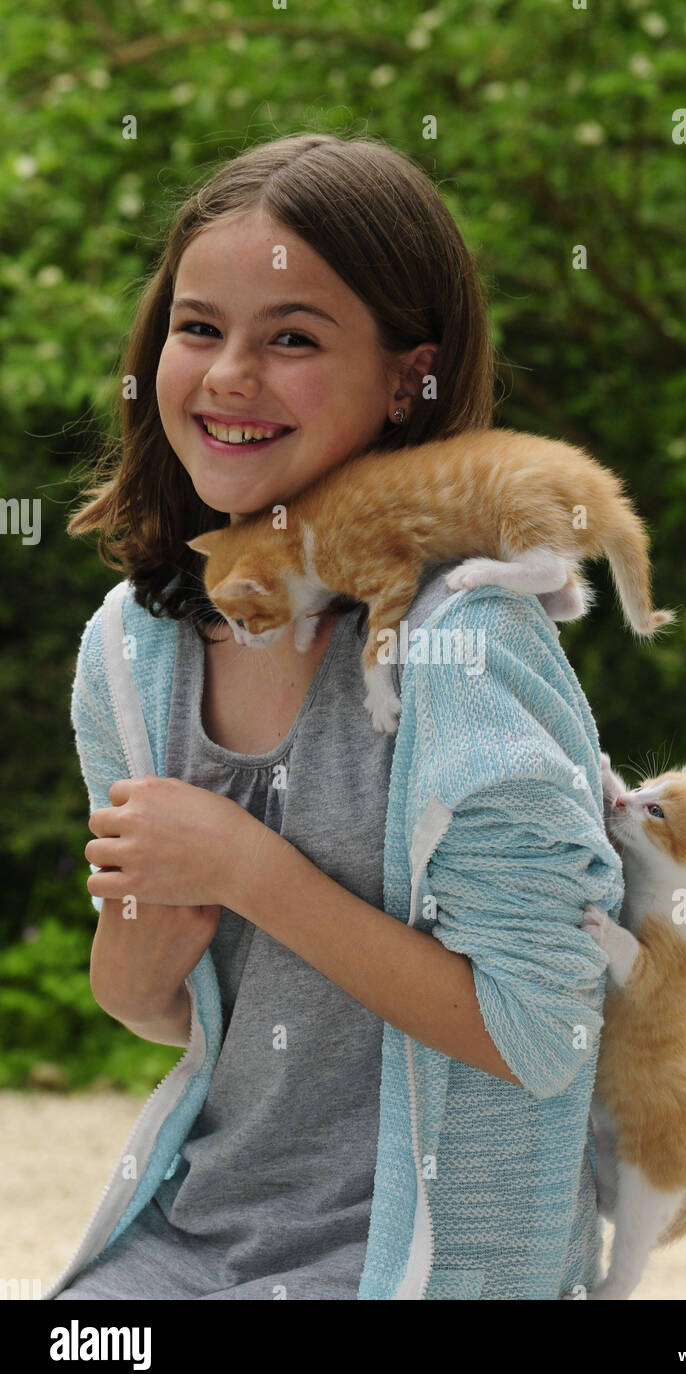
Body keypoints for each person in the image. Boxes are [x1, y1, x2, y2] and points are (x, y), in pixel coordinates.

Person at [50, 132, 623, 1301]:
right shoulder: (132, 649)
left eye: (292, 338)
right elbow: (164, 1008)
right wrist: (132, 964)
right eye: (198, 327)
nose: (226, 376)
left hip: (420, 1256)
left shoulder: (464, 648)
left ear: (409, 376)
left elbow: (541, 1035)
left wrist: (249, 867)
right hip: (201, 1232)